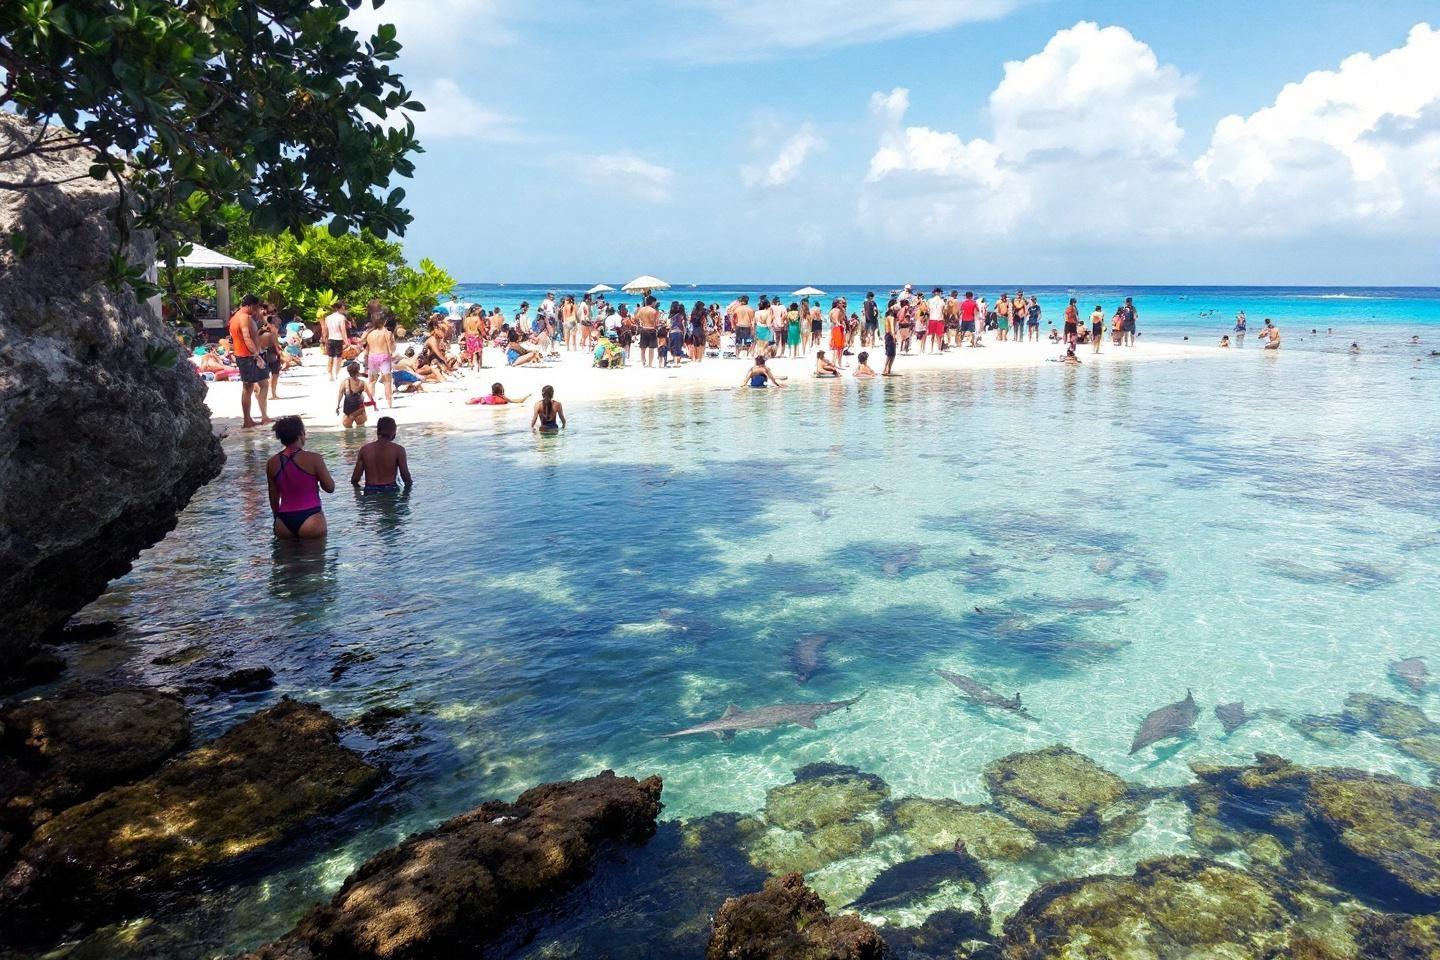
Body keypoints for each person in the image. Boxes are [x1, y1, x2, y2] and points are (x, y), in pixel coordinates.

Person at [266, 416, 334, 540]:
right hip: (311, 518)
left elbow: (273, 497)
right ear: (301, 433)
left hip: (283, 522)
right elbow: (330, 488)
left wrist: (277, 518)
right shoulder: (314, 459)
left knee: (287, 559)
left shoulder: (272, 463)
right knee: (314, 559)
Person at [350, 416, 412, 494]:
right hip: (390, 489)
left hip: (370, 490)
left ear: (378, 431)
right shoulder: (398, 450)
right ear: (394, 432)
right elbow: (405, 476)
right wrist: (408, 492)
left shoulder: (365, 450)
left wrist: (357, 493)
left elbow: (355, 479)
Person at [363, 313, 395, 409]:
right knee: (387, 381)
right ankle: (389, 403)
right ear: (384, 322)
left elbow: (366, 350)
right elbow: (390, 349)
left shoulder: (369, 334)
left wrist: (365, 361)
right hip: (384, 356)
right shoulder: (387, 333)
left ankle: (372, 402)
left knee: (371, 381)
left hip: (372, 357)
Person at [336, 361, 374, 427]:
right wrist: (373, 403)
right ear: (358, 371)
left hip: (348, 411)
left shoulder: (344, 383)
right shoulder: (362, 383)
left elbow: (340, 394)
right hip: (360, 410)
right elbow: (369, 395)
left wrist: (338, 406)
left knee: (347, 433)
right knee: (361, 433)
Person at [324, 301, 349, 380]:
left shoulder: (328, 318)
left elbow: (326, 330)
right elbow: (343, 330)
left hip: (330, 338)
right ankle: (336, 373)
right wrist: (346, 341)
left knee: (330, 357)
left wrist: (325, 339)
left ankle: (330, 374)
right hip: (338, 339)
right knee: (338, 357)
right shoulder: (341, 317)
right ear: (341, 307)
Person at [636, 296, 661, 367]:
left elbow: (637, 318)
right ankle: (650, 364)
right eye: (655, 302)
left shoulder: (641, 309)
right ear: (653, 302)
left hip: (643, 329)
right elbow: (655, 322)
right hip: (651, 330)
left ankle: (643, 362)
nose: (655, 303)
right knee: (651, 348)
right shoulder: (653, 311)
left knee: (643, 348)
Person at [882, 302, 899, 376]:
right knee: (891, 354)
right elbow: (892, 328)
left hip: (887, 335)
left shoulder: (887, 316)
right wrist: (894, 337)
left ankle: (887, 369)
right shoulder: (891, 317)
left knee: (890, 354)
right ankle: (886, 369)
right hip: (890, 336)